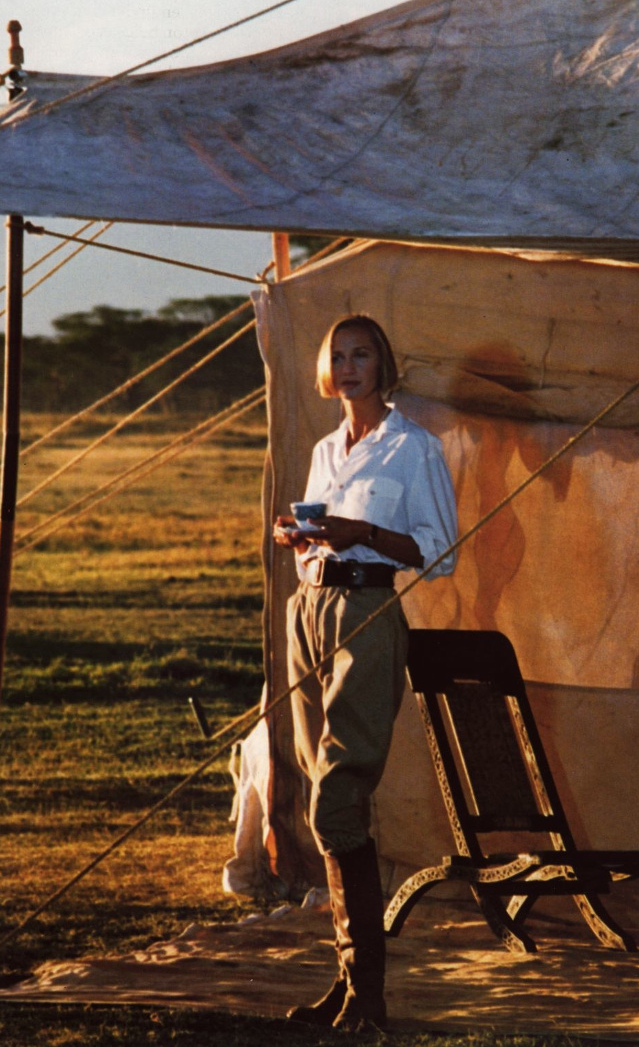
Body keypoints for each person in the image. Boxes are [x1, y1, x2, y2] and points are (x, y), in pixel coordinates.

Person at [273, 314, 458, 1033]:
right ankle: (350, 985)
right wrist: (301, 538)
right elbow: (317, 540)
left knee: (338, 798)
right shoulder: (327, 450)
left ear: (384, 366)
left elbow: (441, 552)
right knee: (319, 786)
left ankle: (368, 997)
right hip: (309, 610)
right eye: (338, 356)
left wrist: (364, 535)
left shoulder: (414, 447)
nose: (348, 367)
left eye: (362, 355)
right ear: (327, 370)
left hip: (367, 615)